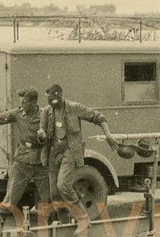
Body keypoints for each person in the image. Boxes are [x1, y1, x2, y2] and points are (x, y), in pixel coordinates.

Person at [36, 84, 120, 222]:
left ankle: (82, 217)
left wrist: (108, 135)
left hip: (69, 151)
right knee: (55, 194)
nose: (50, 103)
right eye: (48, 100)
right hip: (53, 154)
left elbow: (99, 117)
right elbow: (42, 134)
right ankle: (64, 224)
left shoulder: (74, 108)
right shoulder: (46, 111)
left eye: (52, 99)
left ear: (60, 96)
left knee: (63, 185)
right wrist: (42, 135)